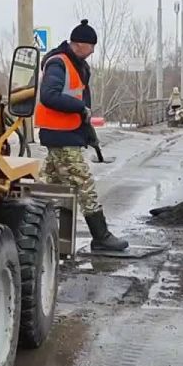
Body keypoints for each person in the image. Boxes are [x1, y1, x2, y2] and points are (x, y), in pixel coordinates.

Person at [36, 20, 128, 251]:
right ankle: (101, 237)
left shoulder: (75, 64)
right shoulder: (59, 63)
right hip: (61, 135)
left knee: (48, 186)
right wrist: (80, 108)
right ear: (79, 44)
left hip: (66, 134)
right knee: (84, 184)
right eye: (91, 46)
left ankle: (38, 235)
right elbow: (48, 95)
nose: (93, 51)